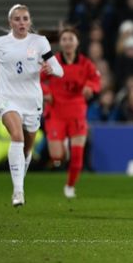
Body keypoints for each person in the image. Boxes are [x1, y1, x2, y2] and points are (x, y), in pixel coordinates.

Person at [0, 4, 64, 206]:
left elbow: (60, 70)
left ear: (30, 21)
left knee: (27, 149)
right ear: (10, 22)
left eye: (25, 18)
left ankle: (19, 182)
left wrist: (51, 69)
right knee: (16, 136)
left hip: (31, 100)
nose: (22, 22)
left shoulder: (40, 42)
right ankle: (18, 192)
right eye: (17, 19)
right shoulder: (0, 43)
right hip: (6, 97)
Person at [41, 27, 100, 198]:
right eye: (64, 39)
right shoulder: (52, 63)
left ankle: (70, 186)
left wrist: (91, 87)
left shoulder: (85, 63)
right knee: (57, 156)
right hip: (57, 112)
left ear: (77, 42)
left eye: (71, 39)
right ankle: (63, 145)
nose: (67, 42)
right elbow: (37, 80)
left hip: (76, 112)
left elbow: (96, 80)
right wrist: (46, 93)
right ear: (60, 43)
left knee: (77, 155)